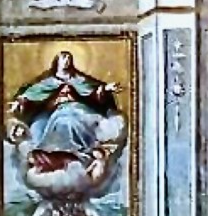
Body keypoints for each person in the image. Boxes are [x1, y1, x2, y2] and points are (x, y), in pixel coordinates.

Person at [8, 51, 124, 182]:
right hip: (56, 111)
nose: (67, 60)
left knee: (69, 120)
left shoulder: (79, 80)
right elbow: (30, 94)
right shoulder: (48, 82)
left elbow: (93, 93)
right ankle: (55, 157)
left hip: (77, 109)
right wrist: (19, 102)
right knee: (49, 124)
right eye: (64, 58)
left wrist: (105, 89)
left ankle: (79, 153)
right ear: (57, 61)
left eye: (69, 58)